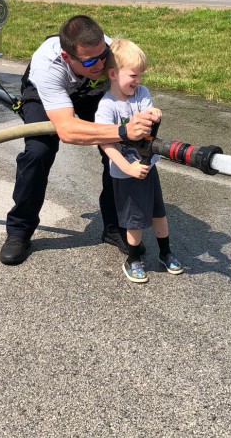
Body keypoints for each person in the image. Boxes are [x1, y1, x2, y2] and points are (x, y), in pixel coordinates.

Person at [0, 16, 158, 266]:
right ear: (67, 57)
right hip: (44, 97)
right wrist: (125, 130)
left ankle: (115, 227)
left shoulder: (107, 52)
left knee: (119, 150)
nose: (100, 64)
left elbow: (129, 82)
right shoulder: (47, 65)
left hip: (88, 93)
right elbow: (68, 131)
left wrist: (138, 118)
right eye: (91, 61)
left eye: (103, 56)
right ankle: (19, 231)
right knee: (39, 151)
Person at [95, 39, 182, 283]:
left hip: (148, 168)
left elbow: (146, 118)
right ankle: (133, 258)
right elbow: (105, 143)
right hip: (126, 173)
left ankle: (166, 252)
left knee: (158, 213)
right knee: (134, 221)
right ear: (113, 74)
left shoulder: (141, 94)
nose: (138, 81)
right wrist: (126, 167)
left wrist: (152, 115)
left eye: (141, 75)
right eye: (133, 75)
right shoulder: (106, 106)